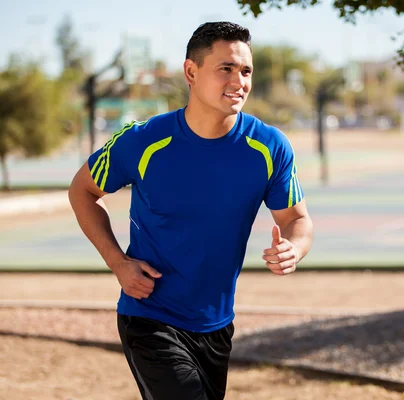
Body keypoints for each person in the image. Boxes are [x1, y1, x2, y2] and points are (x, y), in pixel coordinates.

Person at [68, 21, 313, 400]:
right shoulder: (143, 141)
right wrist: (119, 263)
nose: (239, 81)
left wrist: (293, 249)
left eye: (246, 70)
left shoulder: (269, 147)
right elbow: (82, 191)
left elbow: (296, 220)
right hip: (150, 316)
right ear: (191, 73)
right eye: (226, 68)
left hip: (217, 324)